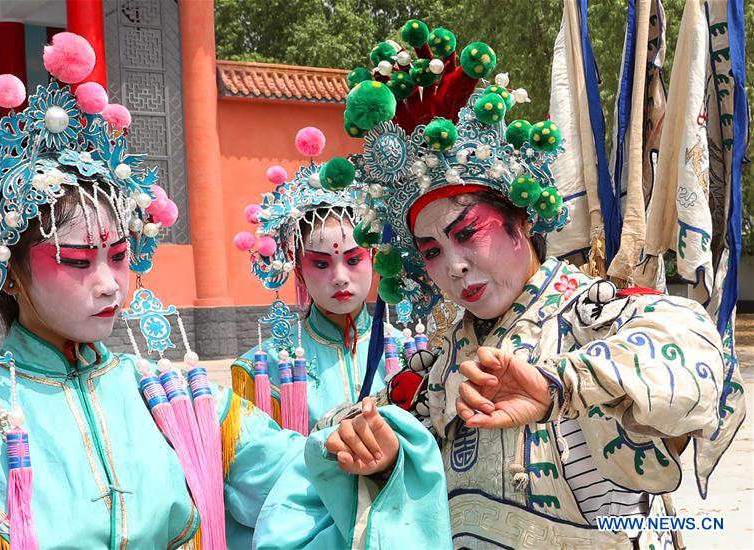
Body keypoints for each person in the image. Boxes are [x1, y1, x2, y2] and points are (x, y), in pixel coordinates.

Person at [0, 32, 451, 549]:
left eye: (118, 256)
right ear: (11, 269)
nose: (108, 282)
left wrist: (360, 452)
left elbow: (293, 475)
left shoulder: (176, 402)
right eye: (78, 260)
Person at [284, 19, 746, 549]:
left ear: (522, 221)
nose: (454, 265)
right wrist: (379, 446)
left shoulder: (595, 316)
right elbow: (358, 428)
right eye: (432, 251)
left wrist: (558, 386)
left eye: (467, 233)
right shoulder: (437, 368)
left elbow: (695, 353)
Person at [230, 148, 400, 433]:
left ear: (372, 258)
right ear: (298, 271)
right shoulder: (264, 368)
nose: (340, 278)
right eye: (321, 263)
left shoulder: (410, 351)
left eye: (353, 259)